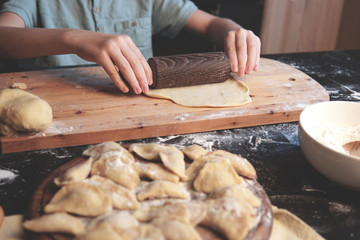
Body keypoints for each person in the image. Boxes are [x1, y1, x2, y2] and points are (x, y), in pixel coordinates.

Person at [0, 0, 260, 95]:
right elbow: (3, 37)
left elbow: (210, 23)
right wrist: (73, 38)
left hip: (139, 109)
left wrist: (234, 31)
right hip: (61, 111)